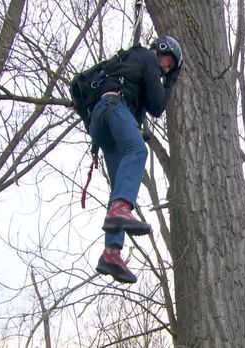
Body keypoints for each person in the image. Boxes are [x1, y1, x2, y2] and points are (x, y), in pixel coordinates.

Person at [90, 35, 183, 283]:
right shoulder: (148, 58)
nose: (167, 68)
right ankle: (122, 209)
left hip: (102, 124)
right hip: (113, 107)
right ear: (160, 50)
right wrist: (170, 83)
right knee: (138, 150)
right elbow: (157, 106)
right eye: (169, 62)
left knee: (119, 186)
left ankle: (111, 252)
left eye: (171, 68)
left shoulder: (133, 62)